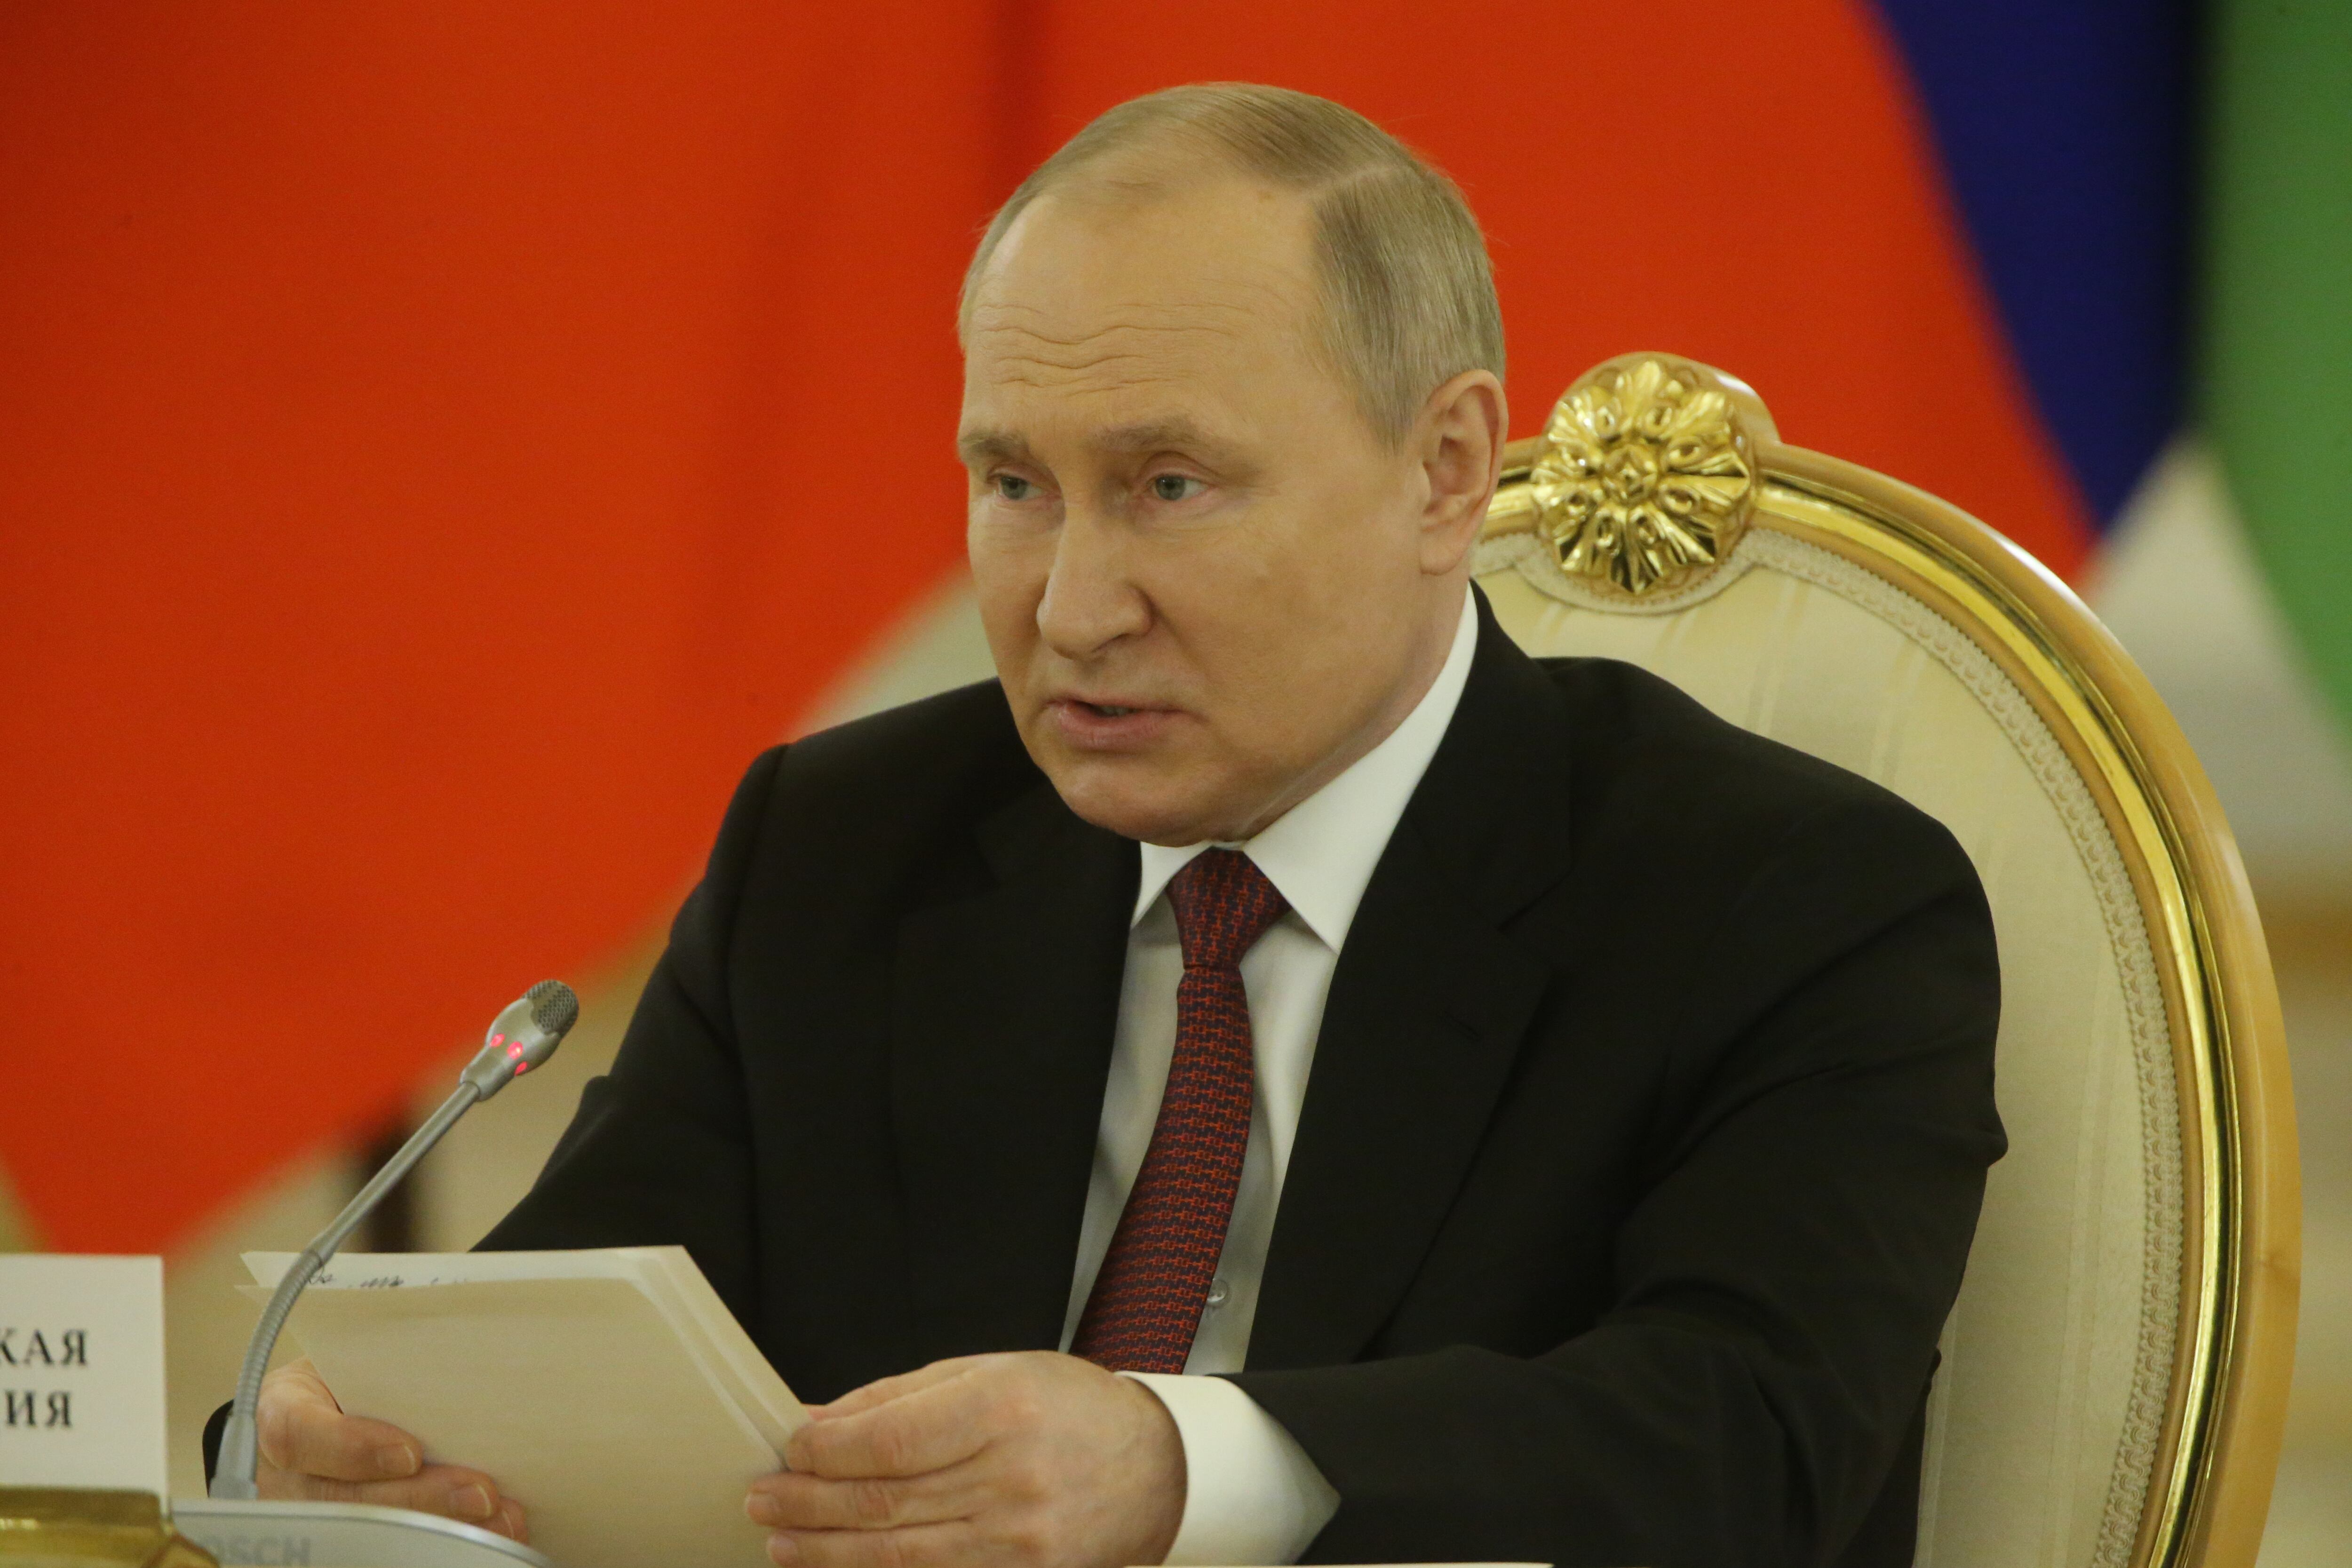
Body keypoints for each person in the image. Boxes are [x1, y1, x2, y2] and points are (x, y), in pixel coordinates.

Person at [223, 83, 2004, 1568]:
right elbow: (561, 1325)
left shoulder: (1792, 899)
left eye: (1170, 485)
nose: (1073, 608)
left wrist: (1177, 1465)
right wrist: (327, 1444)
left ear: (1446, 469)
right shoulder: (850, 848)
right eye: (1014, 484)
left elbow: (1753, 1444)